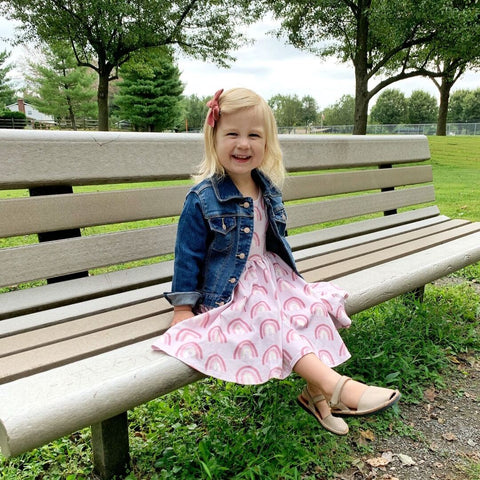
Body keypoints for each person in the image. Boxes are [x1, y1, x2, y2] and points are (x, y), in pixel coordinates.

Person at [152, 87, 400, 435]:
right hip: (233, 290)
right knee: (270, 319)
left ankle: (315, 395)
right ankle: (337, 387)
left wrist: (290, 284)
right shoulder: (202, 199)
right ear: (214, 138)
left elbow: (271, 242)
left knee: (310, 308)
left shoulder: (266, 188)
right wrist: (182, 308)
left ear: (268, 143)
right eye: (232, 134)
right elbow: (187, 256)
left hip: (272, 277)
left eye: (254, 135)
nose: (243, 144)